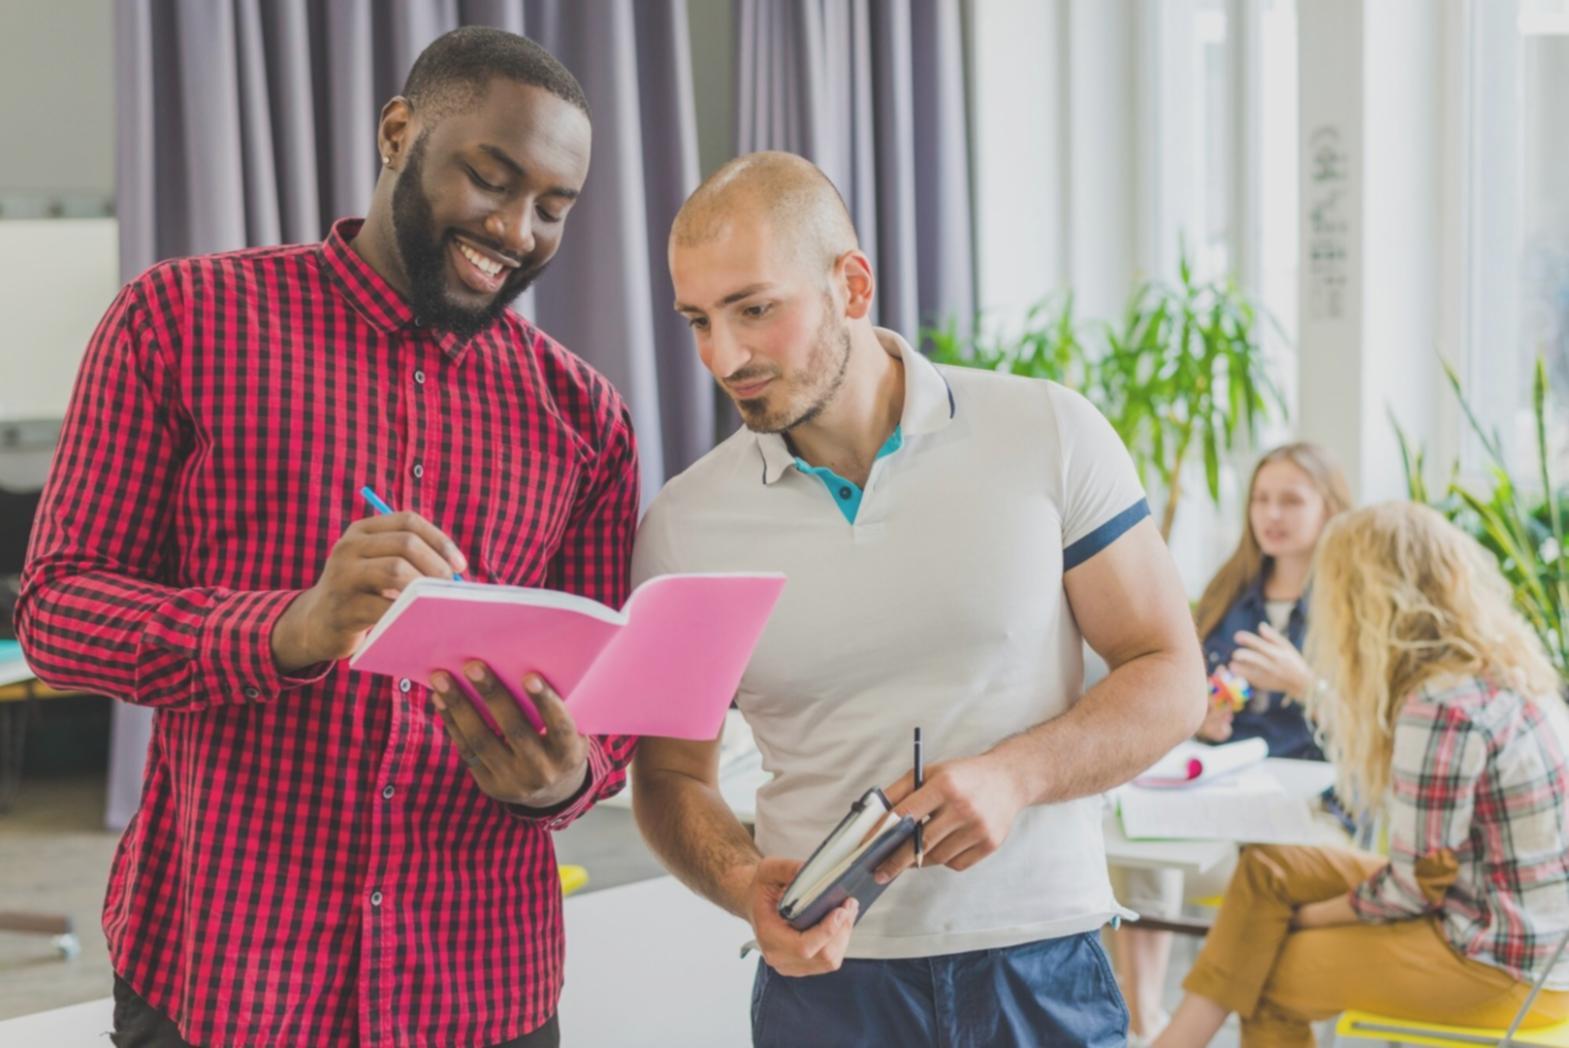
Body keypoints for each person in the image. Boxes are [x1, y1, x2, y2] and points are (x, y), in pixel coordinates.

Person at [16, 27, 638, 1048]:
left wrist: (568, 778)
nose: (517, 229)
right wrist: (287, 628)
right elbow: (57, 607)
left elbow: (610, 700)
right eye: (491, 178)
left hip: (479, 988)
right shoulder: (178, 321)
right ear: (398, 132)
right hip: (226, 974)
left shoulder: (586, 419)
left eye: (553, 209)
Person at [629, 151, 1206, 1047]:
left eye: (754, 309)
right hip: (828, 992)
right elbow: (669, 778)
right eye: (698, 320)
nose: (722, 355)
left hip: (1041, 962)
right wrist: (744, 881)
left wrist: (1018, 775)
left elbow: (1170, 673)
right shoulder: (682, 524)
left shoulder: (1047, 432)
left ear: (851, 285)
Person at [1155, 502, 1569, 1046]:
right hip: (1512, 920)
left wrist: (1309, 918)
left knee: (1269, 977)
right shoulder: (1495, 667)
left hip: (1502, 961)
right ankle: (1178, 1040)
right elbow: (1429, 871)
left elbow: (1412, 888)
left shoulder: (1442, 707)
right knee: (1269, 869)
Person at [1115, 442, 1352, 1042]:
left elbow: (1378, 729)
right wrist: (1200, 716)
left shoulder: (1352, 604)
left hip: (1311, 810)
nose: (1271, 514)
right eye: (1261, 500)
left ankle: (1203, 1029)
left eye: (1291, 501)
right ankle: (1145, 1023)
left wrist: (1307, 686)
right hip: (1221, 798)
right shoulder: (1228, 591)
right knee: (1142, 850)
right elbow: (1183, 692)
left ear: (1329, 509)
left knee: (1269, 873)